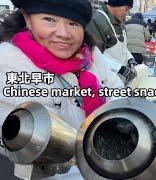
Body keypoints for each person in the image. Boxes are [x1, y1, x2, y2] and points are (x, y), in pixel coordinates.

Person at [0, 0, 124, 179]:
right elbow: (41, 135)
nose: (63, 33)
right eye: (49, 19)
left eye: (73, 23)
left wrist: (119, 119)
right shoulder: (9, 63)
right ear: (27, 19)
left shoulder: (90, 56)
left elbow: (116, 90)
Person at [86, 0, 137, 83]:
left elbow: (122, 48)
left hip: (119, 80)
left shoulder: (120, 22)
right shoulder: (97, 20)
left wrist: (130, 58)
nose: (126, 13)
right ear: (116, 4)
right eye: (126, 9)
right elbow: (93, 55)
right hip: (104, 80)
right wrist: (119, 68)